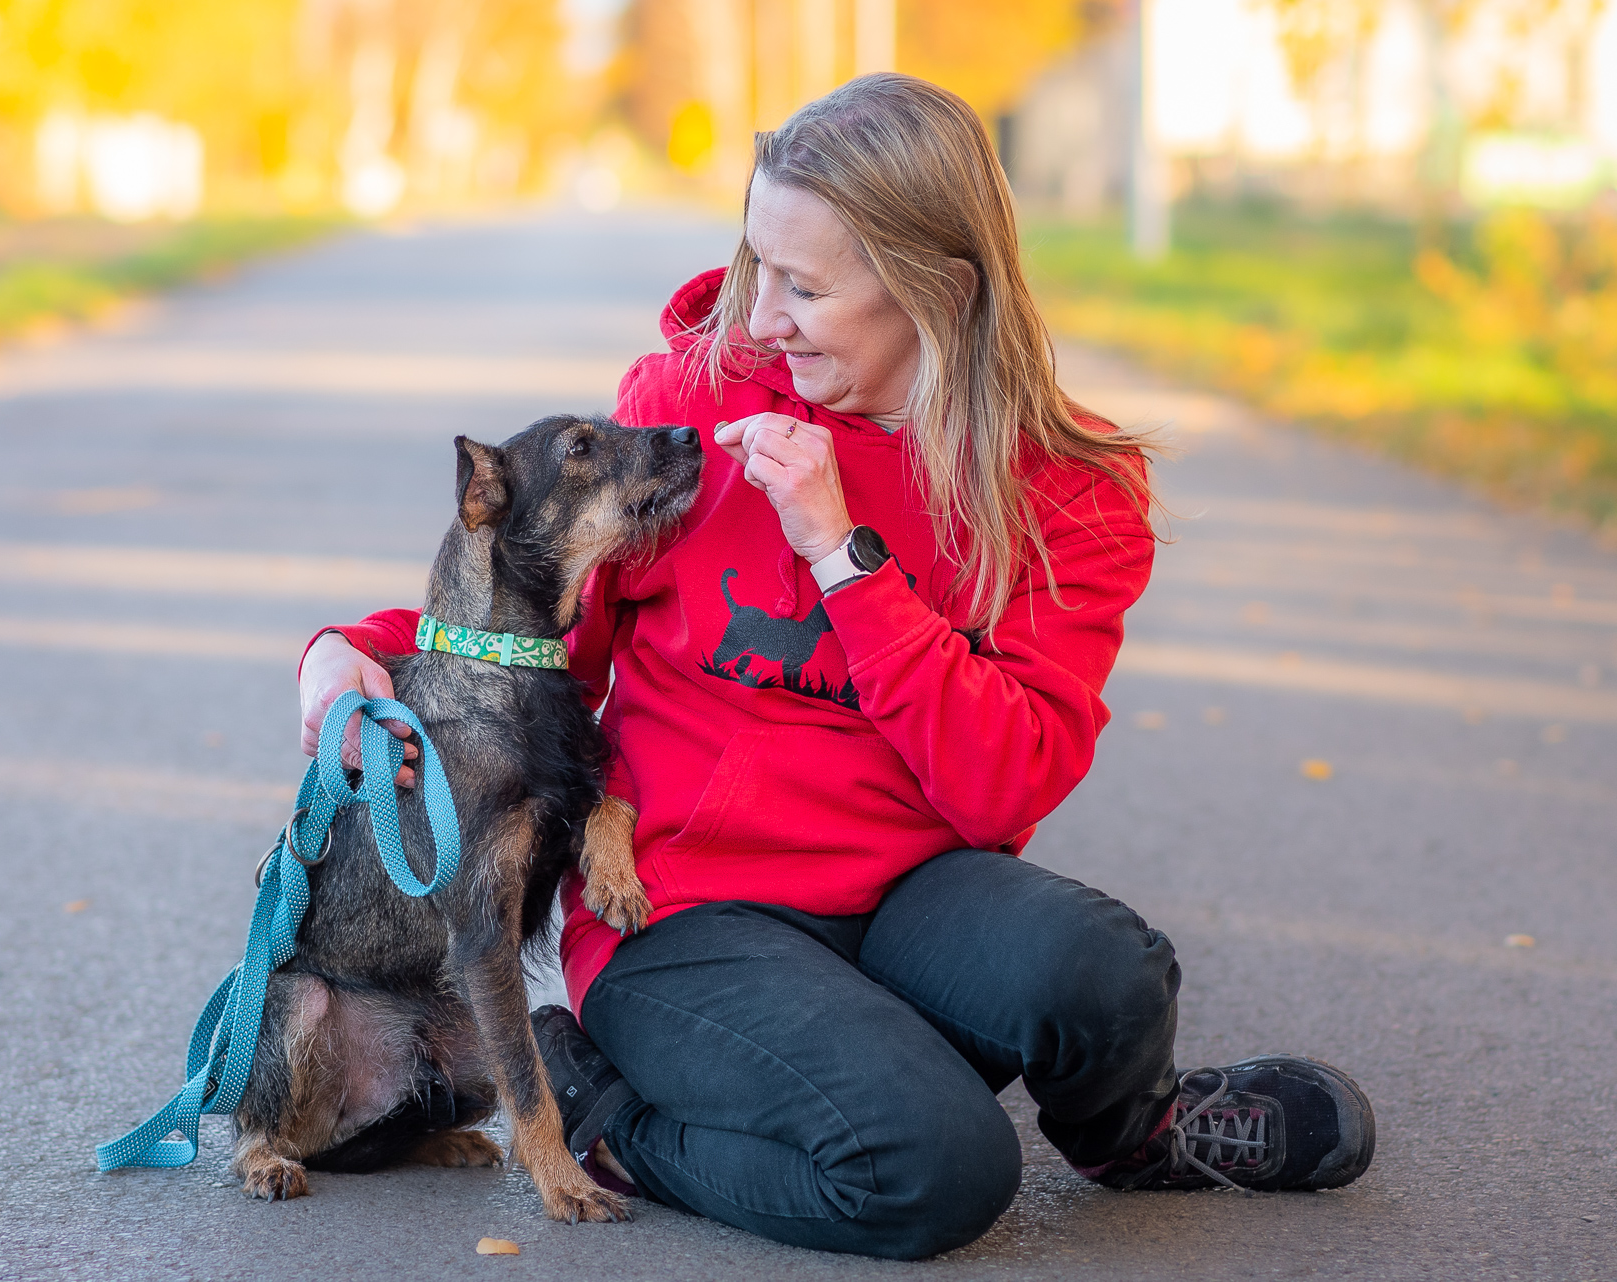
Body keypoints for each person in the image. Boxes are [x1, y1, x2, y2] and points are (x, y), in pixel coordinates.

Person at [297, 74, 1375, 1260]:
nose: (760, 320)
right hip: (680, 910)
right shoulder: (691, 413)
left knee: (1102, 973)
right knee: (935, 1169)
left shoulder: (1070, 495)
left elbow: (1000, 785)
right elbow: (541, 615)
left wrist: (841, 555)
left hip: (911, 889)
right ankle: (612, 1114)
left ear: (938, 290)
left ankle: (1134, 1133)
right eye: (755, 266)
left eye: (803, 286)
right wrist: (358, 648)